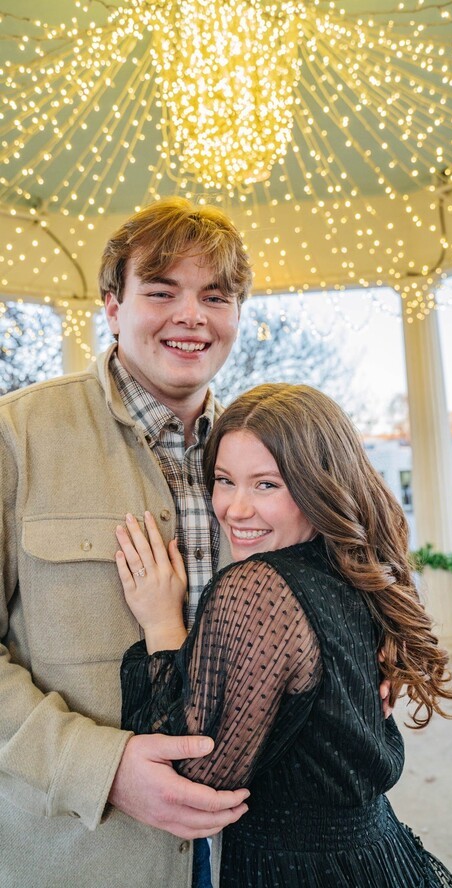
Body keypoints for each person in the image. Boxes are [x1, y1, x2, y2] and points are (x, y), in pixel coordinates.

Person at [116, 383, 452, 888]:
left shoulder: (258, 587)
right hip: (376, 856)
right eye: (224, 480)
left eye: (267, 485)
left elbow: (192, 777)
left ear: (318, 487)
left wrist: (161, 624)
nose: (236, 509)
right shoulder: (350, 570)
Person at [0, 197, 253, 888]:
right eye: (162, 292)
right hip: (79, 856)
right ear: (113, 307)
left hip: (247, 846)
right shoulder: (16, 436)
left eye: (215, 296)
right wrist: (100, 769)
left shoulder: (266, 452)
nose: (191, 316)